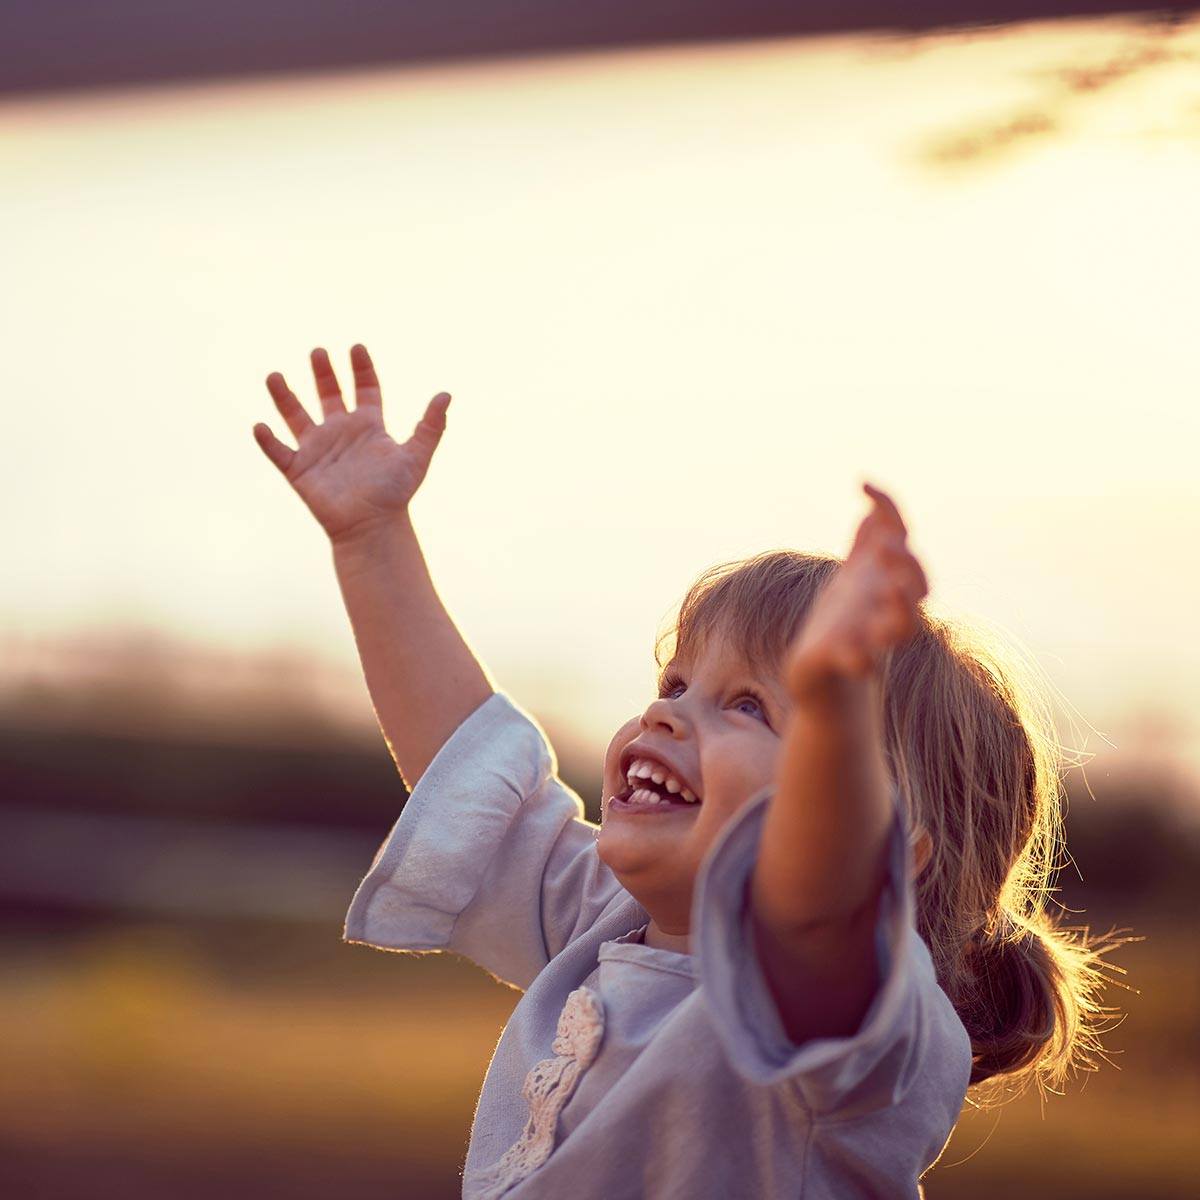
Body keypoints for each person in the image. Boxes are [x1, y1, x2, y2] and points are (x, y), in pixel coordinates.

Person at [253, 344, 1122, 1199]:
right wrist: (372, 543)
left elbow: (823, 909)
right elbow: (475, 770)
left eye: (751, 705)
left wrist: (833, 708)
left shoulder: (859, 1017)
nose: (667, 713)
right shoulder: (612, 921)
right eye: (675, 683)